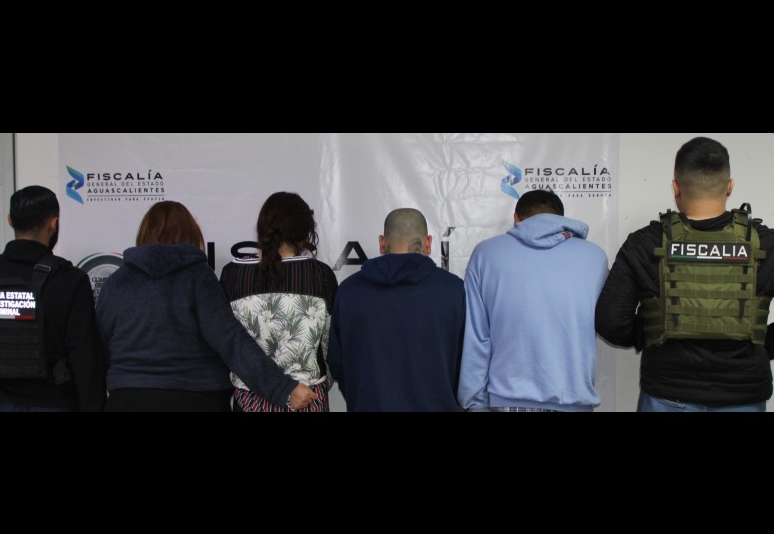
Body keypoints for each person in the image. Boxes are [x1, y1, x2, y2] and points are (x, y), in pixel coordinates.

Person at [596, 137, 774, 412]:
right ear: (730, 186)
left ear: (676, 187)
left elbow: (611, 322)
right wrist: (760, 344)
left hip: (668, 393)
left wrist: (655, 331)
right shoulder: (765, 243)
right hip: (744, 394)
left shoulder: (646, 242)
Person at [96, 201, 316, 412]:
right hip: (196, 399)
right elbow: (230, 340)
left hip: (127, 400)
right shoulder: (199, 277)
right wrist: (282, 389)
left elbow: (99, 352)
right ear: (191, 234)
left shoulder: (116, 282)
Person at [458, 190, 608, 413]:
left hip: (507, 399)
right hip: (573, 400)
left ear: (516, 218)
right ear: (560, 219)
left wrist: (475, 404)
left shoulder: (486, 254)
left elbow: (477, 337)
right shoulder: (595, 257)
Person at [0, 186, 106, 411]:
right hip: (55, 402)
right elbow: (85, 359)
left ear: (10, 220)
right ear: (53, 223)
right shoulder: (69, 279)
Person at [327, 208, 465, 412]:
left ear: (382, 243)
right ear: (428, 243)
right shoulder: (453, 290)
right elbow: (467, 365)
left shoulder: (348, 291)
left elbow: (337, 364)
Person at [220, 192, 337, 412]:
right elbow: (330, 345)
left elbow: (227, 345)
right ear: (305, 232)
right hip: (308, 398)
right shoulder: (320, 275)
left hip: (249, 401)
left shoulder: (232, 275)